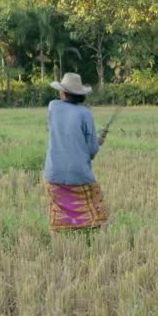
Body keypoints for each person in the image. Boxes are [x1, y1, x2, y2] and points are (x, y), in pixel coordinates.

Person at [44, 72, 109, 235]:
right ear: (80, 95)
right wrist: (98, 143)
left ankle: (57, 239)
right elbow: (92, 151)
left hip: (53, 174)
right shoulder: (85, 114)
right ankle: (100, 236)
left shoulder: (52, 106)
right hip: (79, 174)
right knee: (98, 207)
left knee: (56, 209)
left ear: (63, 93)